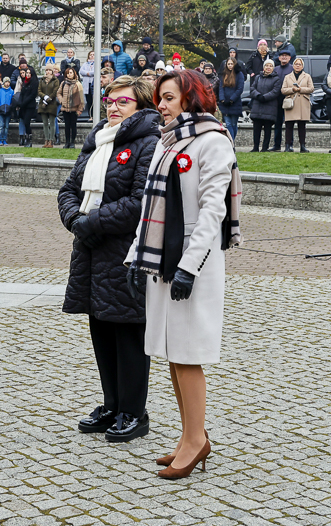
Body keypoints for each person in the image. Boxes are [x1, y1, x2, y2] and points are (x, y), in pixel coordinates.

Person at [126, 69, 241, 479]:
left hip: (194, 258)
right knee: (173, 351)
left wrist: (189, 267)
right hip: (163, 257)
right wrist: (135, 258)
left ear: (191, 98)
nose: (161, 104)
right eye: (159, 97)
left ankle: (196, 441)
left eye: (169, 97)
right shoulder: (168, 139)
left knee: (188, 352)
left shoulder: (213, 141)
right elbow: (148, 207)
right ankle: (189, 435)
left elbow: (213, 210)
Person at [58, 76, 160, 443]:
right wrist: (75, 220)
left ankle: (135, 411)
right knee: (101, 326)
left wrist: (91, 223)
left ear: (141, 107)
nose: (113, 108)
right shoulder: (98, 140)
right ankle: (113, 404)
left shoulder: (148, 143)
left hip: (124, 252)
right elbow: (69, 189)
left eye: (123, 103)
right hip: (90, 248)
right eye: (110, 101)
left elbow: (139, 202)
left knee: (127, 331)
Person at [248, 58, 281, 152]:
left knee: (267, 129)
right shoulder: (258, 77)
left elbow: (275, 91)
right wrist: (258, 95)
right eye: (267, 65)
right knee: (256, 129)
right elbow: (252, 88)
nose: (268, 67)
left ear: (273, 68)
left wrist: (265, 97)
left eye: (270, 66)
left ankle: (264, 148)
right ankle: (255, 147)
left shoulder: (276, 79)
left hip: (269, 107)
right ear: (264, 67)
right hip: (257, 106)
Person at [281, 57, 313, 153]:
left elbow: (311, 89)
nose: (298, 66)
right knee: (289, 126)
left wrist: (300, 89)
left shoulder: (307, 76)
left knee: (302, 126)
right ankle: (287, 146)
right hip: (291, 103)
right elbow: (283, 90)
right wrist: (292, 89)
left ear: (302, 66)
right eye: (296, 64)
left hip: (303, 103)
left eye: (300, 64)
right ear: (293, 65)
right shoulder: (287, 77)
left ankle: (302, 146)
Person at [58, 66, 85, 149]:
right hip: (65, 108)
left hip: (74, 109)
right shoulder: (63, 83)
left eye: (71, 73)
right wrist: (62, 100)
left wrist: (80, 109)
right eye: (68, 73)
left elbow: (81, 98)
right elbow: (58, 93)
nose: (69, 75)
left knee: (73, 126)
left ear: (74, 74)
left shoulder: (78, 84)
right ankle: (67, 142)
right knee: (66, 126)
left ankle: (72, 142)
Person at [217, 58, 244, 140]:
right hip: (224, 103)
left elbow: (240, 89)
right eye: (228, 64)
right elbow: (221, 88)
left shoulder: (239, 74)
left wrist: (232, 99)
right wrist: (222, 99)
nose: (230, 66)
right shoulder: (224, 74)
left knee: (233, 124)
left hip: (235, 103)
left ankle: (232, 141)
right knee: (228, 124)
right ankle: (230, 142)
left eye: (231, 64)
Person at [38, 64, 61, 148]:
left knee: (52, 123)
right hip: (42, 103)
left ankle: (51, 140)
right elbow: (39, 90)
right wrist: (44, 96)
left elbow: (55, 91)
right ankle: (46, 140)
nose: (48, 72)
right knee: (45, 123)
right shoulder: (42, 80)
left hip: (52, 103)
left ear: (52, 71)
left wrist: (48, 99)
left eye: (49, 70)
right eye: (46, 70)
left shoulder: (55, 80)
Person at [16, 64, 39, 147]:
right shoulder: (25, 82)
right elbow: (22, 93)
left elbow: (33, 95)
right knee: (23, 121)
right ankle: (25, 138)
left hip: (29, 106)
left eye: (29, 73)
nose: (28, 74)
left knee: (26, 122)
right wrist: (20, 102)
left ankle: (29, 138)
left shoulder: (34, 82)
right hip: (23, 106)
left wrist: (23, 102)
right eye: (27, 73)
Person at [0, 74, 14, 145]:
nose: (7, 84)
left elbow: (13, 100)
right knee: (0, 126)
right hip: (1, 110)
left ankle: (4, 139)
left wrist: (11, 107)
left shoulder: (11, 91)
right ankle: (0, 139)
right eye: (6, 82)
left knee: (6, 126)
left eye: (8, 82)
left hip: (8, 111)